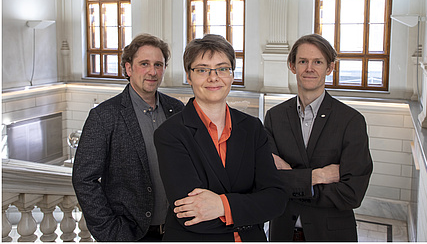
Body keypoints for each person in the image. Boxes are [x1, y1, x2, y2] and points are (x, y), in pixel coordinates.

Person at [154, 34, 288, 242]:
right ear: (189, 76)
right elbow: (190, 214)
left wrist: (221, 206)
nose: (213, 77)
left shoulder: (252, 128)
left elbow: (276, 200)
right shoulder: (170, 133)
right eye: (202, 70)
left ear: (232, 75)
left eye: (222, 68)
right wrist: (248, 208)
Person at [72, 33, 184, 242]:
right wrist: (110, 232)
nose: (152, 72)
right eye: (144, 64)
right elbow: (84, 179)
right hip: (130, 234)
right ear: (128, 68)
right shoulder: (104, 116)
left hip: (176, 232)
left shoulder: (176, 110)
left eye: (158, 65)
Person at [265, 34, 373, 242]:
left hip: (330, 235)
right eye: (303, 61)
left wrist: (293, 181)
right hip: (283, 233)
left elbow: (352, 192)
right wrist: (318, 176)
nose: (309, 68)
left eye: (318, 62)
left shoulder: (351, 121)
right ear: (292, 66)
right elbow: (268, 180)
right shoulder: (275, 117)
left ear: (330, 68)